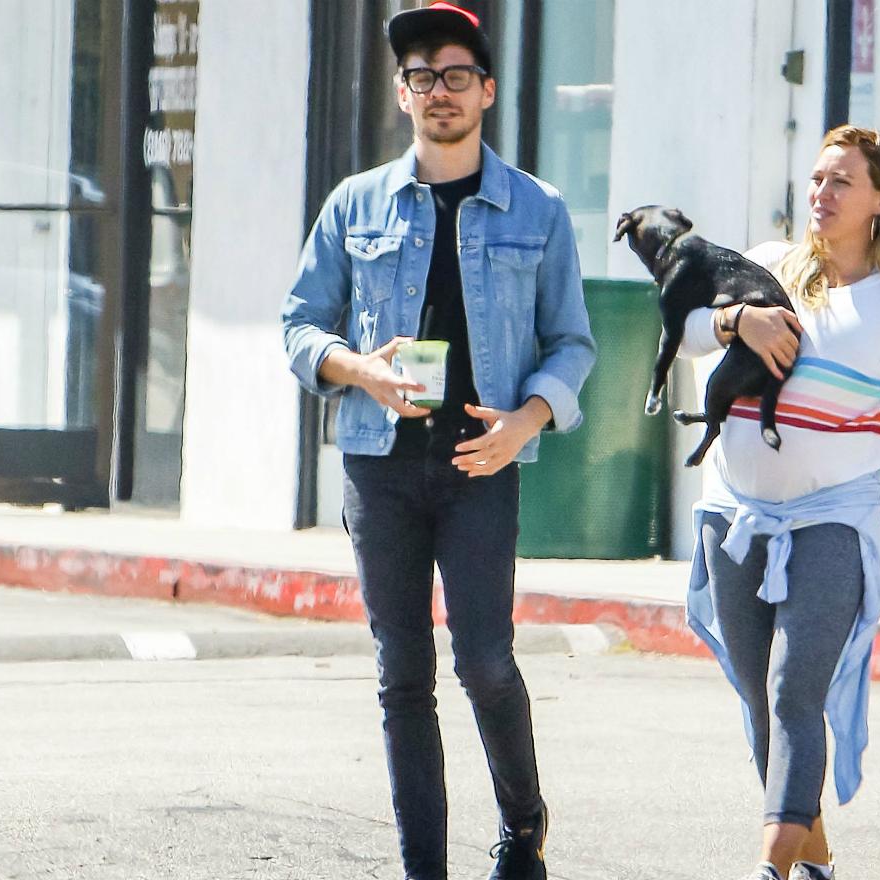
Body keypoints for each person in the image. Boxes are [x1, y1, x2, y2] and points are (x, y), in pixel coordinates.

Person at [280, 4, 595, 878]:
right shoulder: (356, 203)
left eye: (457, 75)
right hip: (379, 464)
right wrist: (358, 369)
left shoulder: (538, 208)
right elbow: (301, 325)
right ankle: (425, 867)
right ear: (401, 93)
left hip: (480, 462)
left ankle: (523, 823)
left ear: (487, 90)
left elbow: (572, 341)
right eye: (422, 77)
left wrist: (529, 419)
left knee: (486, 660)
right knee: (401, 672)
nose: (439, 91)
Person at [677, 125, 880, 880]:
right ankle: (816, 859)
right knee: (759, 700)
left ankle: (771, 866)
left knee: (796, 688)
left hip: (833, 521)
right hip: (734, 519)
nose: (821, 194)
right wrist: (739, 320)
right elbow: (688, 332)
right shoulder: (764, 268)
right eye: (817, 178)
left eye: (842, 182)